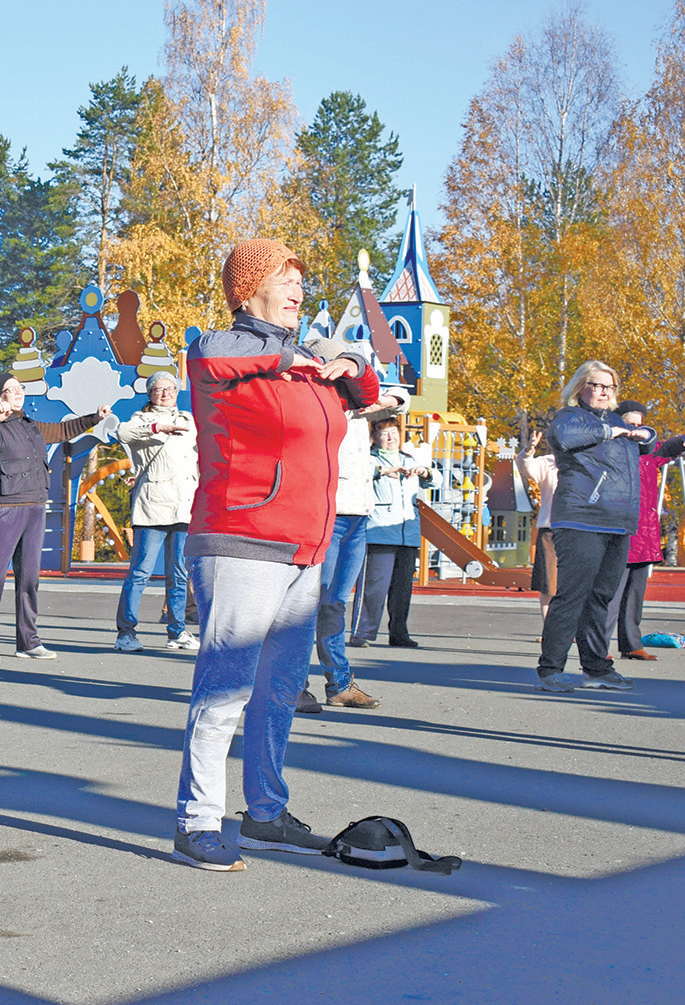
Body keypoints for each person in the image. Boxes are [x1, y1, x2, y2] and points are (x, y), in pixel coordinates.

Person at [170, 238, 378, 872]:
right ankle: (197, 821)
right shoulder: (225, 351)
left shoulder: (301, 366)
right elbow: (211, 351)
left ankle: (264, 813)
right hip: (240, 538)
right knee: (226, 687)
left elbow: (366, 391)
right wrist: (314, 353)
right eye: (286, 279)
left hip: (305, 547)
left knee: (281, 688)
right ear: (247, 288)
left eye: (301, 282)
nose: (298, 290)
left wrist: (345, 363)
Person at [534, 361, 653, 693]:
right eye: (597, 385)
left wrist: (645, 433)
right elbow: (562, 437)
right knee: (573, 595)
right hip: (580, 518)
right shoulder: (568, 418)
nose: (603, 391)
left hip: (617, 522)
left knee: (601, 597)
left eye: (609, 386)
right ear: (580, 387)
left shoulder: (618, 421)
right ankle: (551, 670)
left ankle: (596, 668)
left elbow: (649, 444)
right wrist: (609, 431)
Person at [0, 374, 103, 660]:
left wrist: (94, 418)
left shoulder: (32, 426)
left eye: (20, 388)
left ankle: (28, 642)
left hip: (35, 506)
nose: (17, 392)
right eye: (10, 389)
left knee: (29, 578)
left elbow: (64, 430)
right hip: (5, 507)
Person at [304, 343, 408, 709]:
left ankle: (339, 684)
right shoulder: (316, 402)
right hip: (324, 514)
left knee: (334, 603)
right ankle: (294, 684)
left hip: (357, 516)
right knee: (307, 604)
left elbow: (400, 397)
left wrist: (382, 398)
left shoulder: (360, 407)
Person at [109, 371, 198, 655]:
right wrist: (159, 428)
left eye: (170, 388)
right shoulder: (141, 420)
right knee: (140, 573)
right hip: (152, 507)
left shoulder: (189, 420)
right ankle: (126, 632)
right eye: (158, 389)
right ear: (149, 394)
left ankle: (177, 631)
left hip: (184, 507)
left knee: (179, 573)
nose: (165, 393)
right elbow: (121, 433)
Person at [606, 400, 685, 661]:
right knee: (610, 595)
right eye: (629, 423)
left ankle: (631, 646)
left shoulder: (649, 450)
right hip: (620, 531)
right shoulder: (609, 449)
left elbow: (667, 448)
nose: (635, 429)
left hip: (645, 535)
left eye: (639, 424)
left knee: (634, 597)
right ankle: (598, 649)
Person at [353, 421, 439, 649]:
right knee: (374, 587)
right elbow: (358, 474)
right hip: (379, 531)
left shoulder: (409, 459)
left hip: (407, 534)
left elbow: (436, 480)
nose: (391, 438)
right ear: (374, 436)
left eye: (394, 433)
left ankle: (399, 633)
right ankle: (362, 633)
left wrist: (424, 471)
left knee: (403, 589)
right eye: (384, 434)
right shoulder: (369, 458)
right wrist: (383, 471)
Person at [516, 430, 560, 623]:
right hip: (550, 529)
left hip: (579, 530)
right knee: (549, 582)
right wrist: (529, 450)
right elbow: (525, 467)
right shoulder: (548, 463)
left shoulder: (585, 463)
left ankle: (573, 628)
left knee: (575, 583)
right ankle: (548, 627)